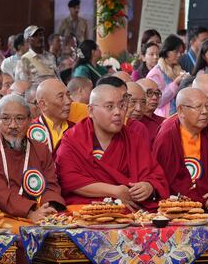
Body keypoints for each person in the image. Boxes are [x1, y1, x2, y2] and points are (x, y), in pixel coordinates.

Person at [56, 83, 168, 211]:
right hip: (86, 211)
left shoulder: (133, 138)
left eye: (121, 106)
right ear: (91, 111)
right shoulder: (73, 138)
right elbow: (68, 179)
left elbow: (155, 175)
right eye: (109, 107)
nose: (118, 112)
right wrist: (114, 191)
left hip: (129, 213)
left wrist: (148, 186)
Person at [0, 93, 64, 221]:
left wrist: (47, 208)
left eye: (19, 118)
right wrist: (30, 213)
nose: (13, 125)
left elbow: (51, 185)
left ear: (29, 121)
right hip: (2, 216)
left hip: (40, 213)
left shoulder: (40, 149)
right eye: (5, 119)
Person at [153, 88, 208, 208]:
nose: (205, 111)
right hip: (179, 209)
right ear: (181, 110)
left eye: (207, 106)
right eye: (198, 107)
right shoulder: (167, 139)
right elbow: (163, 183)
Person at [146, 34, 189, 117]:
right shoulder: (156, 73)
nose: (179, 55)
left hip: (180, 115)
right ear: (166, 51)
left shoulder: (177, 69)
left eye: (181, 52)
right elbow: (158, 101)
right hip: (163, 117)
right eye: (176, 52)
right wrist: (176, 83)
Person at [30, 78, 73, 155]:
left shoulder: (76, 129)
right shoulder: (30, 131)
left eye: (68, 95)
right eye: (61, 97)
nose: (68, 101)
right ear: (43, 105)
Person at [136, 78, 165, 143]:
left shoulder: (163, 122)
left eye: (157, 93)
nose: (155, 97)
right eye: (149, 93)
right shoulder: (131, 123)